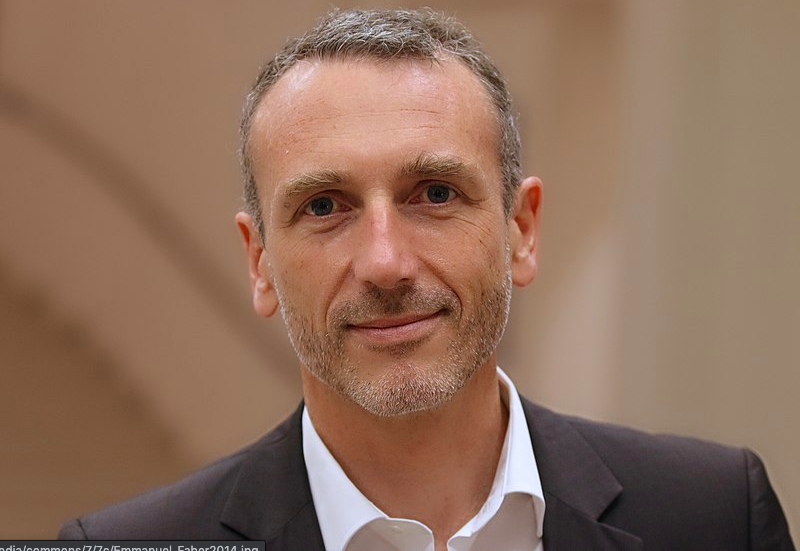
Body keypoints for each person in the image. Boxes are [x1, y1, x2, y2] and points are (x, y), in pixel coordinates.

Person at [59, 8, 794, 550]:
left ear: (520, 230)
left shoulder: (714, 517)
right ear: (260, 264)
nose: (386, 263)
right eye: (325, 206)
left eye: (435, 194)